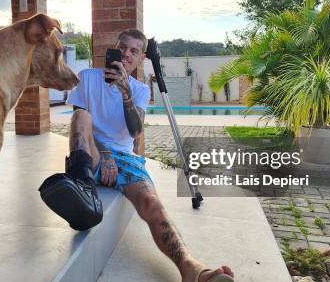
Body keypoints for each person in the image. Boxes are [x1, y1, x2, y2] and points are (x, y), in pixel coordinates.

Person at [41, 29, 235, 282]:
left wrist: (125, 93)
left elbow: (135, 131)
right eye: (122, 47)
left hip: (126, 160)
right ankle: (84, 192)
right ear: (114, 47)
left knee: (152, 204)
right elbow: (80, 126)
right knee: (80, 116)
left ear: (141, 58)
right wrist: (105, 152)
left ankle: (191, 268)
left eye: (134, 50)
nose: (126, 54)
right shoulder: (87, 78)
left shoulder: (140, 90)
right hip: (92, 155)